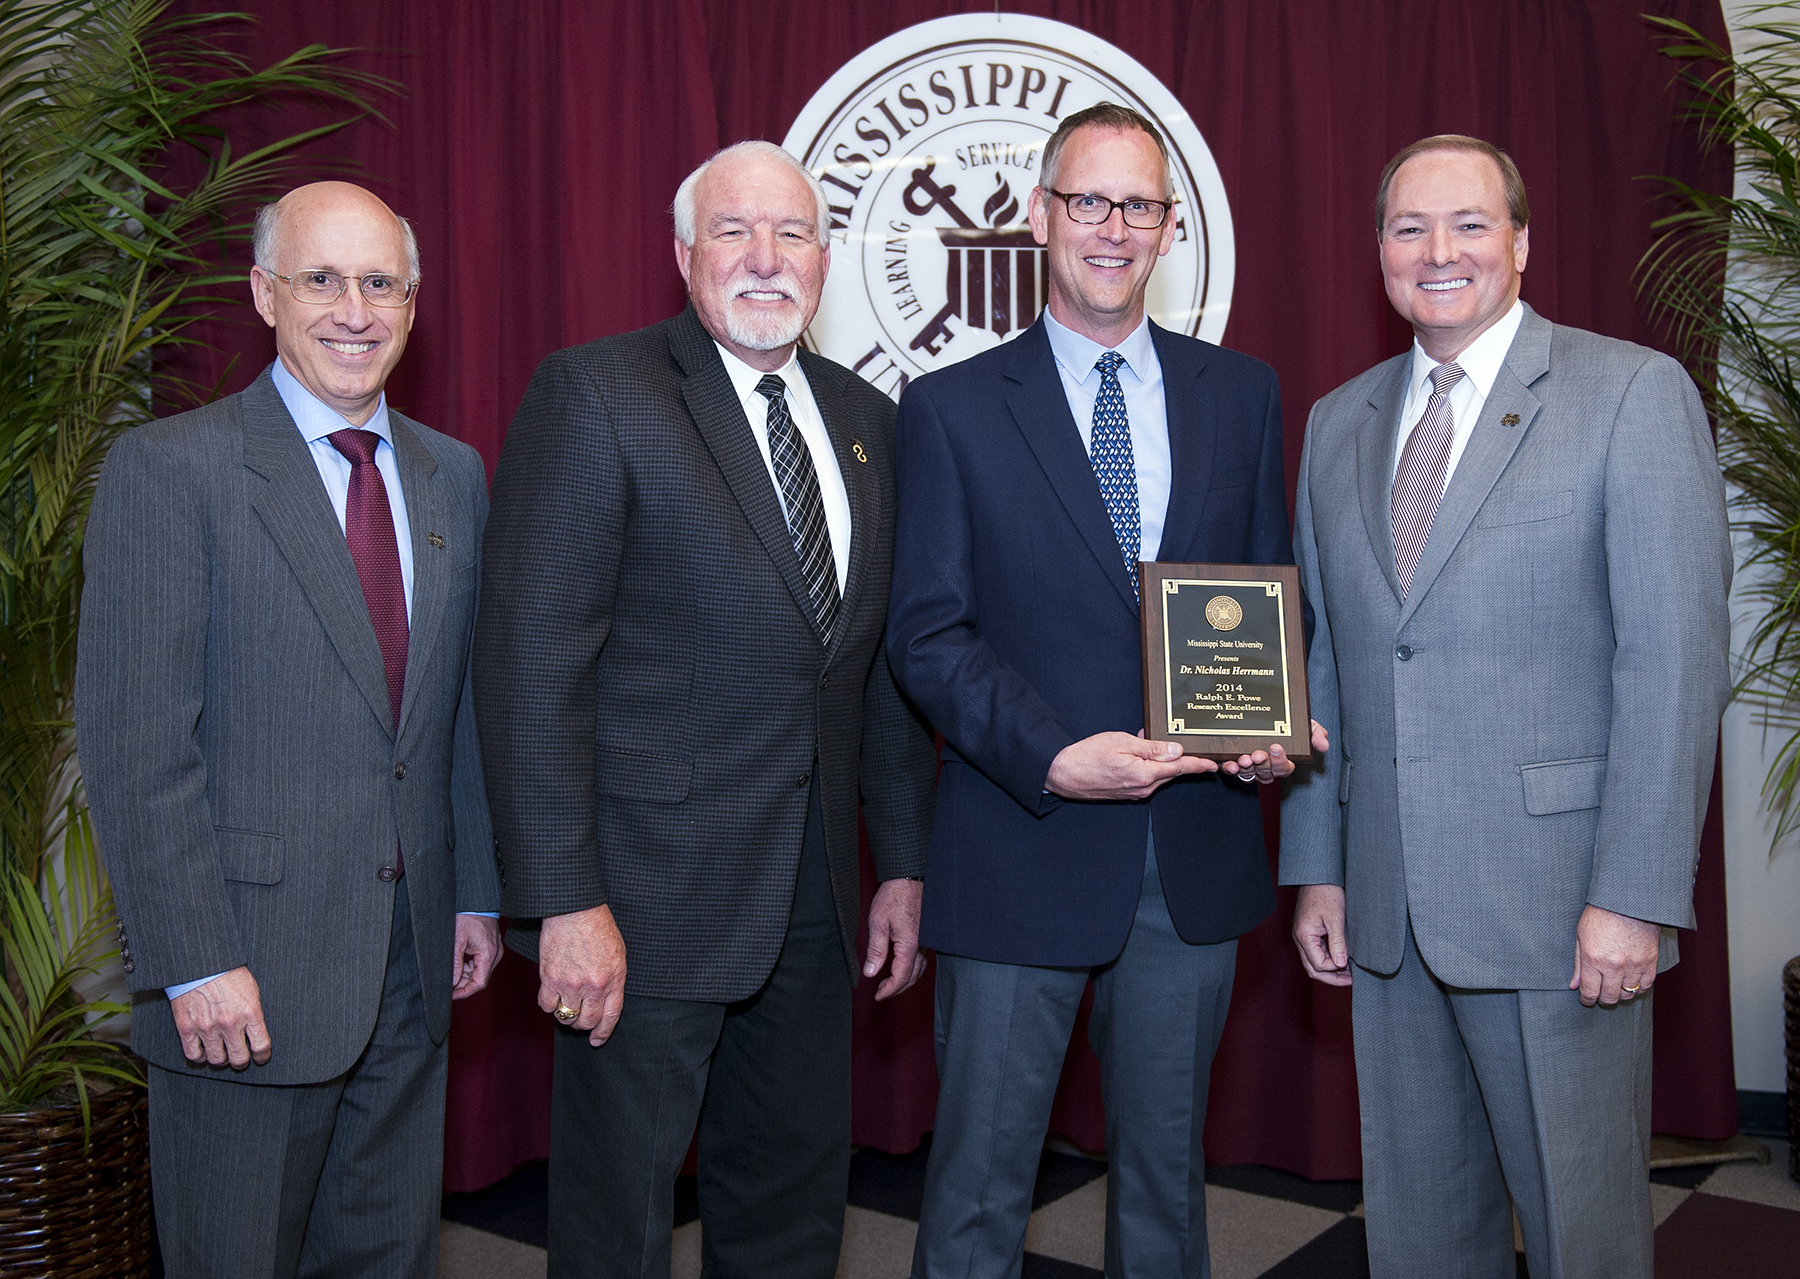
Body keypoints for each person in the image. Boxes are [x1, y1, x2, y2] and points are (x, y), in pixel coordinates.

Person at [472, 139, 938, 1279]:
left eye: (791, 236)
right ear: (685, 255)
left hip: (816, 903)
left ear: (826, 262)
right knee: (616, 1223)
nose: (764, 259)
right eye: (734, 232)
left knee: (789, 1210)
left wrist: (903, 864)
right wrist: (564, 900)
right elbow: (531, 665)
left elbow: (870, 667)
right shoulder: (597, 393)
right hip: (640, 905)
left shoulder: (870, 419)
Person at [1280, 135, 1731, 1279]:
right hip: (1386, 910)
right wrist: (1319, 865)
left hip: (1559, 910)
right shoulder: (1338, 422)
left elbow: (1670, 665)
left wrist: (1632, 895)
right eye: (1408, 228)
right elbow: (1329, 656)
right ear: (1378, 251)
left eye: (1470, 224)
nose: (1439, 253)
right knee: (1423, 1235)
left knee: (1583, 1234)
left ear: (1523, 243)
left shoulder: (1630, 394)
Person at [886, 102, 1312, 1279]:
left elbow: (1269, 600)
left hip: (1192, 858)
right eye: (1088, 201)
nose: (1112, 229)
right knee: (977, 1192)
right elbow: (926, 634)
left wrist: (1268, 730)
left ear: (1171, 226)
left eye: (1138, 205)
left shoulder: (1244, 394)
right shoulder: (953, 408)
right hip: (1022, 842)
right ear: (1039, 217)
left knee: (1169, 1195)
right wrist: (1053, 754)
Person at [75, 181, 502, 1276]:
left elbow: (451, 711)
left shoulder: (455, 475)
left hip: (409, 975)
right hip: (242, 983)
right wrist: (193, 957)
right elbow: (136, 748)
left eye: (380, 283)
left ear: (413, 304)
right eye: (321, 279)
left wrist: (474, 893)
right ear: (263, 294)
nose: (352, 310)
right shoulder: (172, 472)